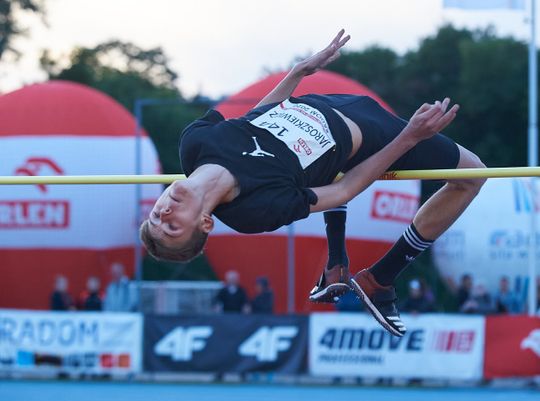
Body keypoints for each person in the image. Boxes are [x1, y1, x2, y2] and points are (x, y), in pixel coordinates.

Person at [140, 30, 485, 337]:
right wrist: (408, 138)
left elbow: (251, 121)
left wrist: (297, 73)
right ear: (205, 223)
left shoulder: (194, 144)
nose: (163, 213)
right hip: (374, 136)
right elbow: (343, 190)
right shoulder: (252, 211)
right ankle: (381, 276)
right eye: (171, 227)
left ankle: (336, 266)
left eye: (156, 216)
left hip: (327, 102)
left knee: (322, 169)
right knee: (473, 175)